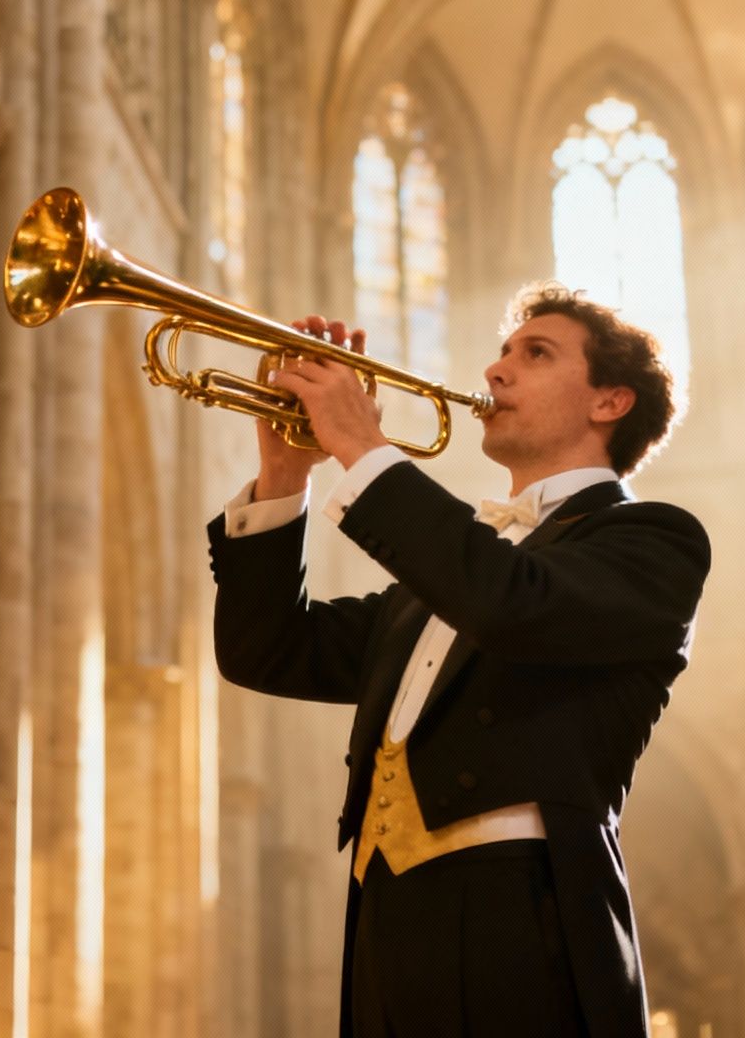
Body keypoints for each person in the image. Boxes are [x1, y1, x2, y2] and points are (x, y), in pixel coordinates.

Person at [208, 282, 710, 1037]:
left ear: (610, 402)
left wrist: (362, 448)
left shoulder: (654, 541)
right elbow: (268, 652)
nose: (496, 371)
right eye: (503, 351)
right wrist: (287, 475)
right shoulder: (440, 583)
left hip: (524, 924)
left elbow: (512, 602)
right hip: (384, 921)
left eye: (534, 354)